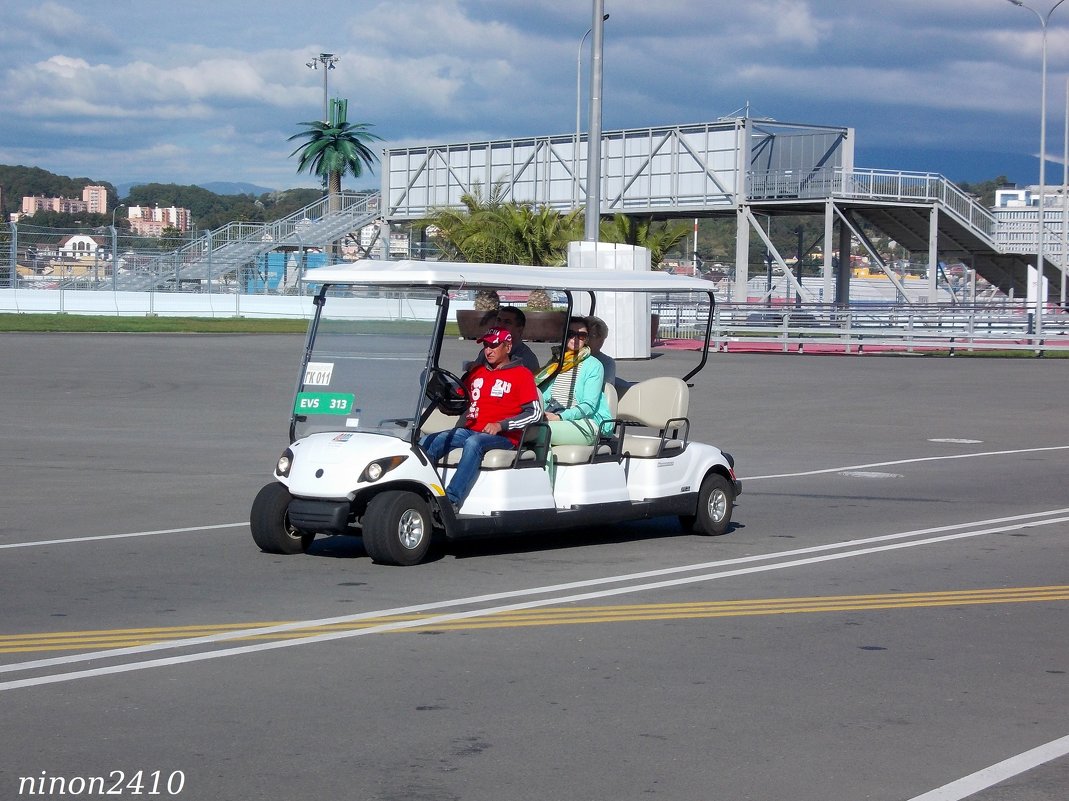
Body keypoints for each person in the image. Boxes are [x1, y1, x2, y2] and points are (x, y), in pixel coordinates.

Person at [421, 327, 542, 511]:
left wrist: (501, 425)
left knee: (473, 443)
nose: (488, 350)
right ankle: (423, 492)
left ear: (507, 347)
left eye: (494, 345)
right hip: (471, 429)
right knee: (426, 442)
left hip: (505, 436)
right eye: (486, 345)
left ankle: (451, 500)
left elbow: (534, 413)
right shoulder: (477, 371)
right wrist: (444, 400)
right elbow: (460, 399)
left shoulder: (522, 375)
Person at [534, 317, 611, 446]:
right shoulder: (556, 363)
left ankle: (541, 466)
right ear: (564, 335)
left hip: (585, 422)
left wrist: (560, 417)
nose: (575, 339)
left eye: (581, 335)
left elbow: (589, 406)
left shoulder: (594, 366)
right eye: (571, 334)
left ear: (586, 339)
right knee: (521, 428)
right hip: (554, 414)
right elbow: (542, 393)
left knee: (541, 432)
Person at [469, 306, 540, 374]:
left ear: (519, 330)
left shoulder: (527, 359)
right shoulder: (487, 350)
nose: (500, 325)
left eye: (507, 322)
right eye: (498, 320)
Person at [585, 314, 616, 389]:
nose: (600, 341)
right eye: (594, 336)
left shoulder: (607, 362)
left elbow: (600, 388)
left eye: (602, 337)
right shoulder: (569, 356)